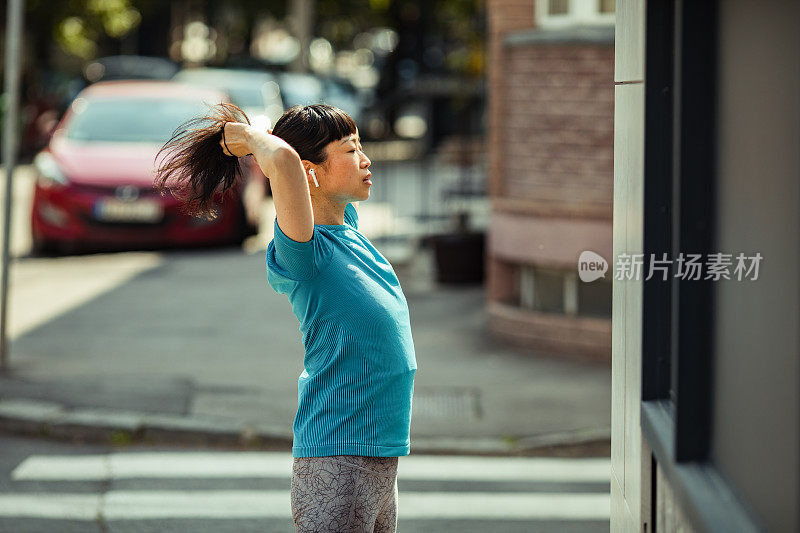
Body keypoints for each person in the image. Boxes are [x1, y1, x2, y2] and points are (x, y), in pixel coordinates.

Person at [154, 103, 418, 533]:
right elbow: (284, 162)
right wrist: (244, 137)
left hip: (377, 457)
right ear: (311, 171)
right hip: (339, 457)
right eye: (351, 150)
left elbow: (296, 168)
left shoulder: (345, 228)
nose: (366, 160)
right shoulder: (305, 253)